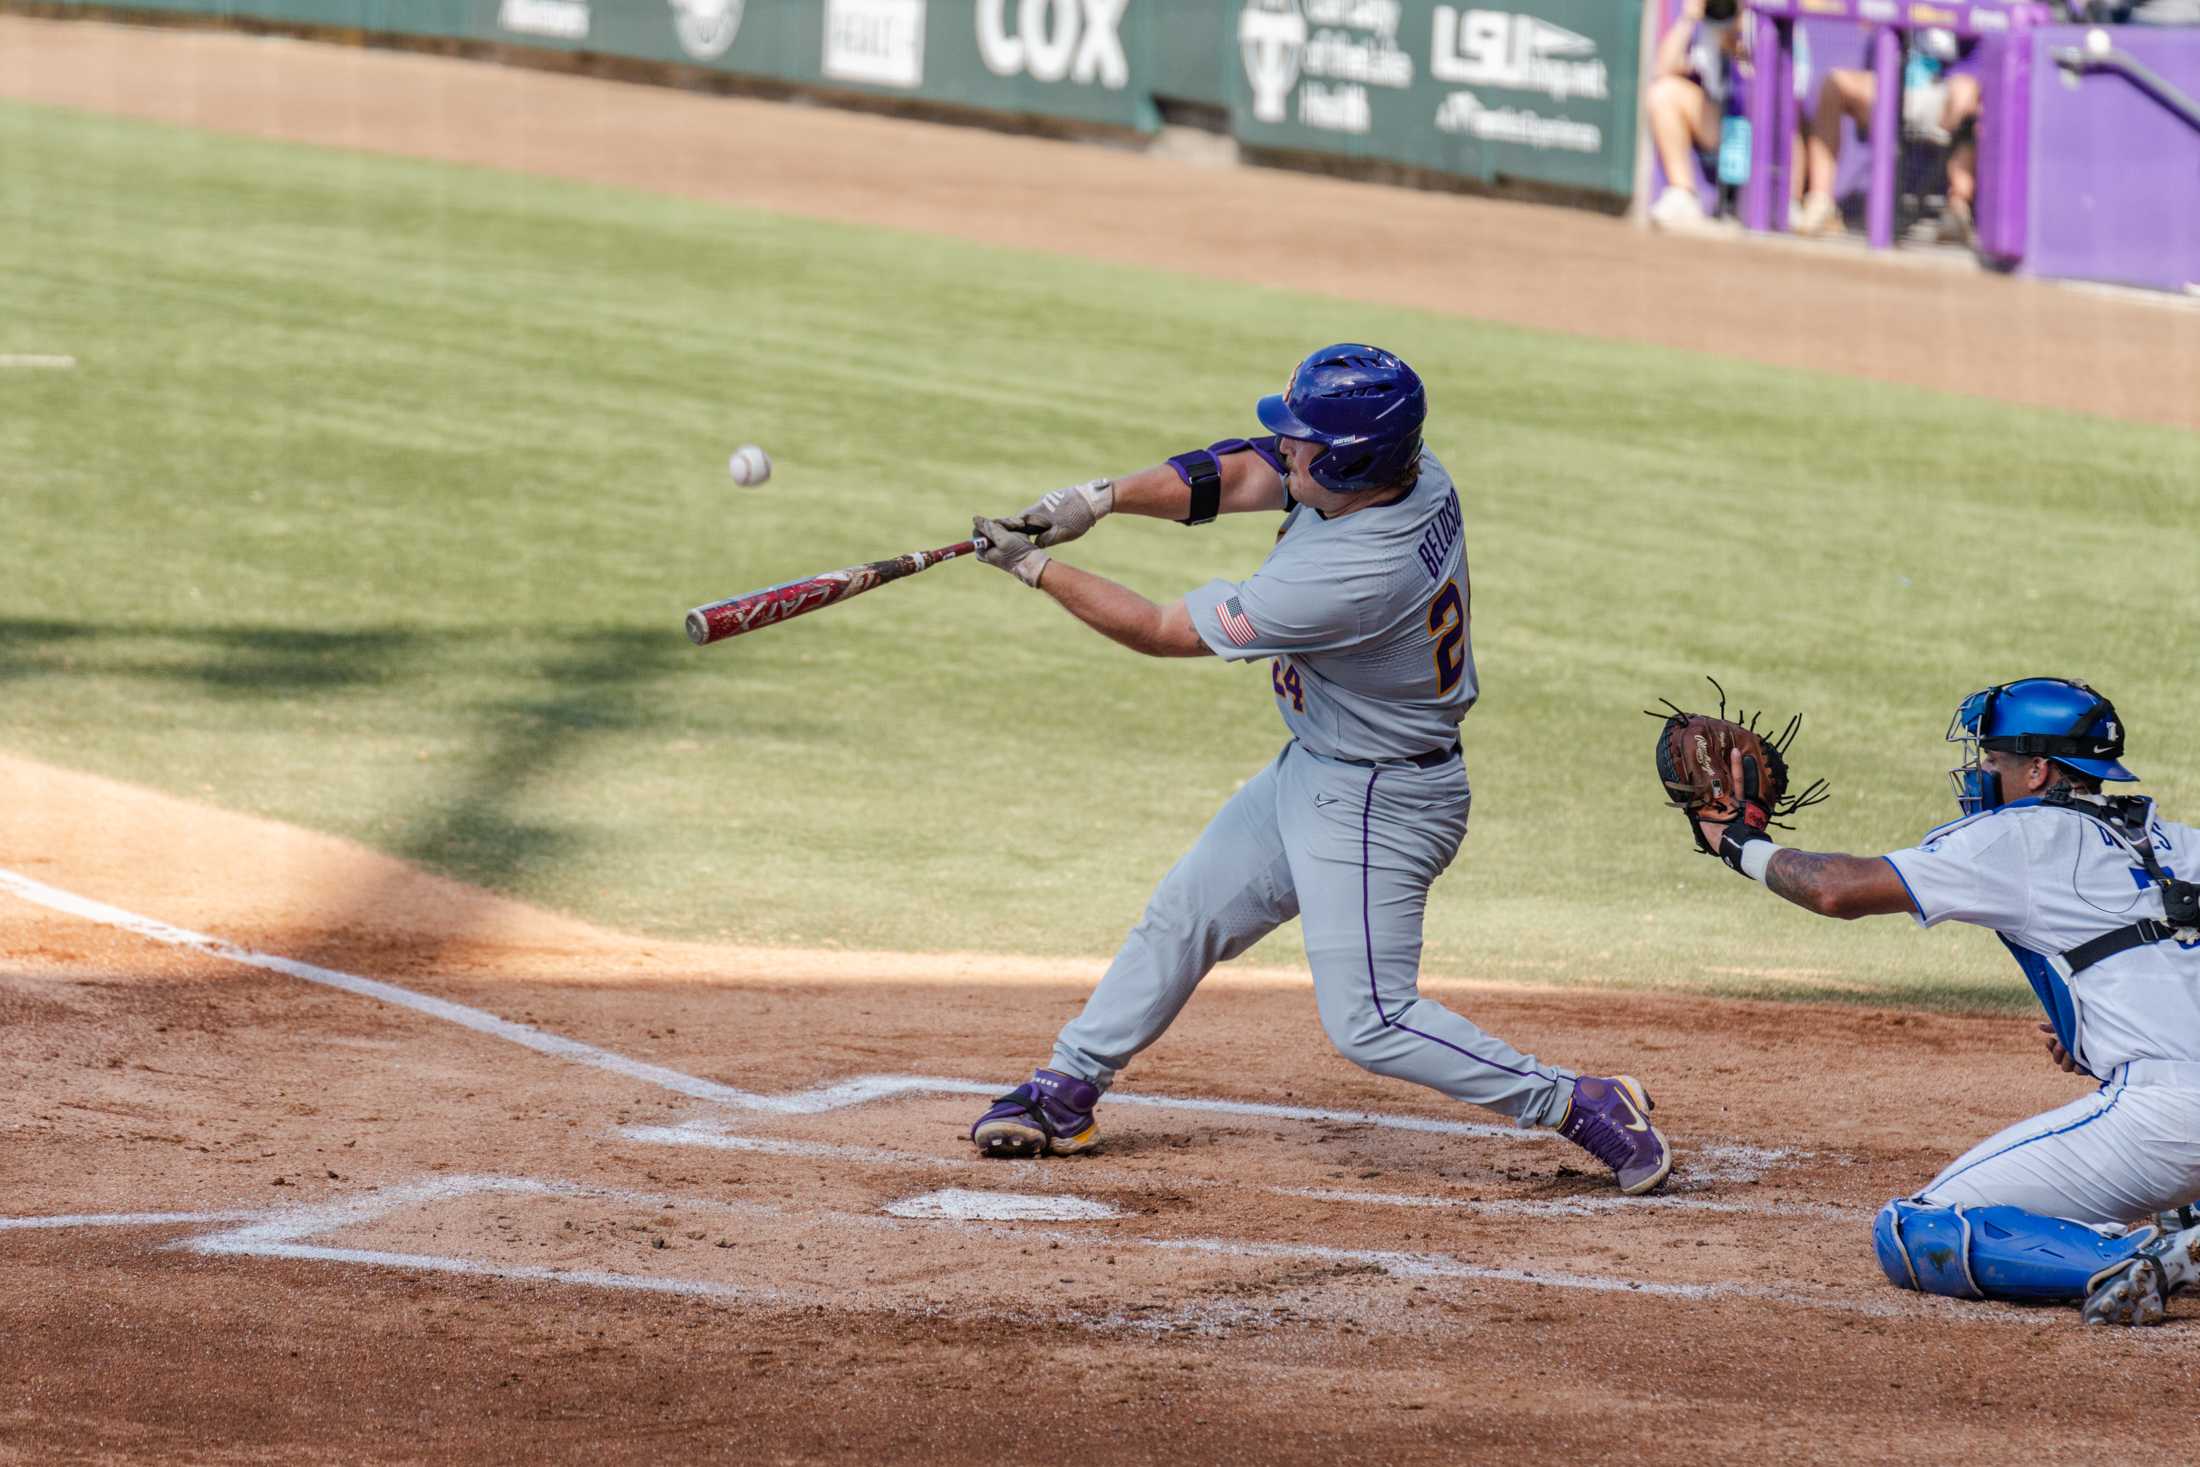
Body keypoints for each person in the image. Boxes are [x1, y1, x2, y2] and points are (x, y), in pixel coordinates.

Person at [959, 344, 1673, 1196]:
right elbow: (1245, 471)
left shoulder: (1351, 576)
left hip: (1381, 800)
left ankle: (1578, 1103)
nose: (1285, 449)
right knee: (1184, 914)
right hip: (1322, 766)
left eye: (1303, 441)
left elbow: (1158, 627)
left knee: (1371, 1021)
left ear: (1348, 461)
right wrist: (1100, 500)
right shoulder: (1411, 470)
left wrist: (1036, 567)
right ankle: (1064, 1090)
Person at [1689, 677, 2200, 1324]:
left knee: (1916, 1227)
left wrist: (1735, 841)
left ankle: (2143, 1260)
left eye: (1993, 760)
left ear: (2038, 770)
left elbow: (1839, 890)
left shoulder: (2016, 836)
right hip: (2179, 1111)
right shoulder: (2178, 841)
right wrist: (2097, 1029)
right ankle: (2187, 1225)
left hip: (2170, 1118)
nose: (1981, 772)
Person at [1795, 29, 1981, 244]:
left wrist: (1962, 84)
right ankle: (1821, 202)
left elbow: (1979, 58)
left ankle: (1956, 210)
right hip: (1890, 88)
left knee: (1968, 91)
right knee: (1834, 84)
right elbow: (1878, 41)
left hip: (1941, 93)